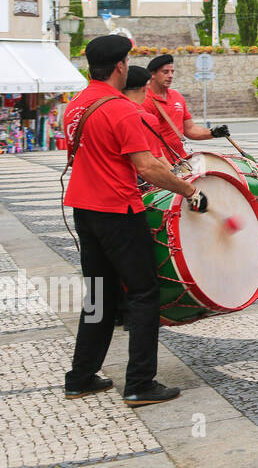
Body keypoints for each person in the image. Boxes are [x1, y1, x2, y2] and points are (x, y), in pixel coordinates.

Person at [63, 35, 208, 408]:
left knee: (98, 292)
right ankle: (140, 383)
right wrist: (190, 192)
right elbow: (147, 167)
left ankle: (81, 376)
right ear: (120, 67)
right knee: (144, 294)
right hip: (118, 211)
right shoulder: (120, 109)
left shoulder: (76, 105)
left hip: (84, 210)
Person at [144, 54, 230, 160]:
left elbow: (190, 129)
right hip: (160, 162)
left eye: (172, 72)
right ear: (152, 74)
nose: (170, 75)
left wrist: (212, 133)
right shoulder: (144, 99)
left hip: (180, 160)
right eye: (165, 72)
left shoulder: (176, 96)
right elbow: (145, 140)